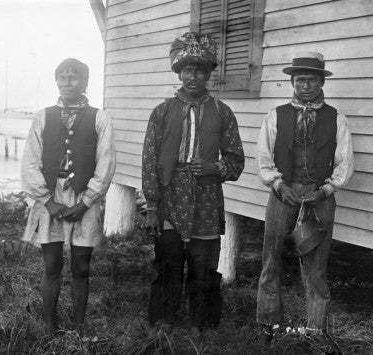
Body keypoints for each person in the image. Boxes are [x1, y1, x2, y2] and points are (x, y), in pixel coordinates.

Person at [142, 32, 244, 334]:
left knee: (203, 267)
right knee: (168, 264)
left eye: (201, 70)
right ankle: (163, 320)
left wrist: (215, 167)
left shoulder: (223, 112)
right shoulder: (161, 112)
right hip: (170, 196)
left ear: (209, 74)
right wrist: (151, 205)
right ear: (179, 72)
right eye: (188, 70)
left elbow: (236, 162)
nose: (194, 77)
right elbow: (149, 160)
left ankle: (203, 325)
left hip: (207, 199)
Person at [255, 52, 354, 347]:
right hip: (282, 194)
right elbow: (263, 158)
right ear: (292, 82)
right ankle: (268, 326)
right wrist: (277, 184)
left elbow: (344, 162)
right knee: (271, 260)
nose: (306, 86)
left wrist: (325, 190)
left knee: (316, 267)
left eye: (311, 80)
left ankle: (315, 332)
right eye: (300, 80)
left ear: (322, 81)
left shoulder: (336, 118)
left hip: (319, 196)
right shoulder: (275, 115)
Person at [21, 58, 116, 335]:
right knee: (51, 266)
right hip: (49, 196)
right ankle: (49, 326)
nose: (66, 82)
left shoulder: (100, 117)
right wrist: (47, 201)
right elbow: (30, 161)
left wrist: (86, 202)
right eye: (62, 77)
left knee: (81, 267)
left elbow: (106, 162)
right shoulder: (43, 116)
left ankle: (78, 326)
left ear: (85, 82)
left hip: (84, 195)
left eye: (73, 77)